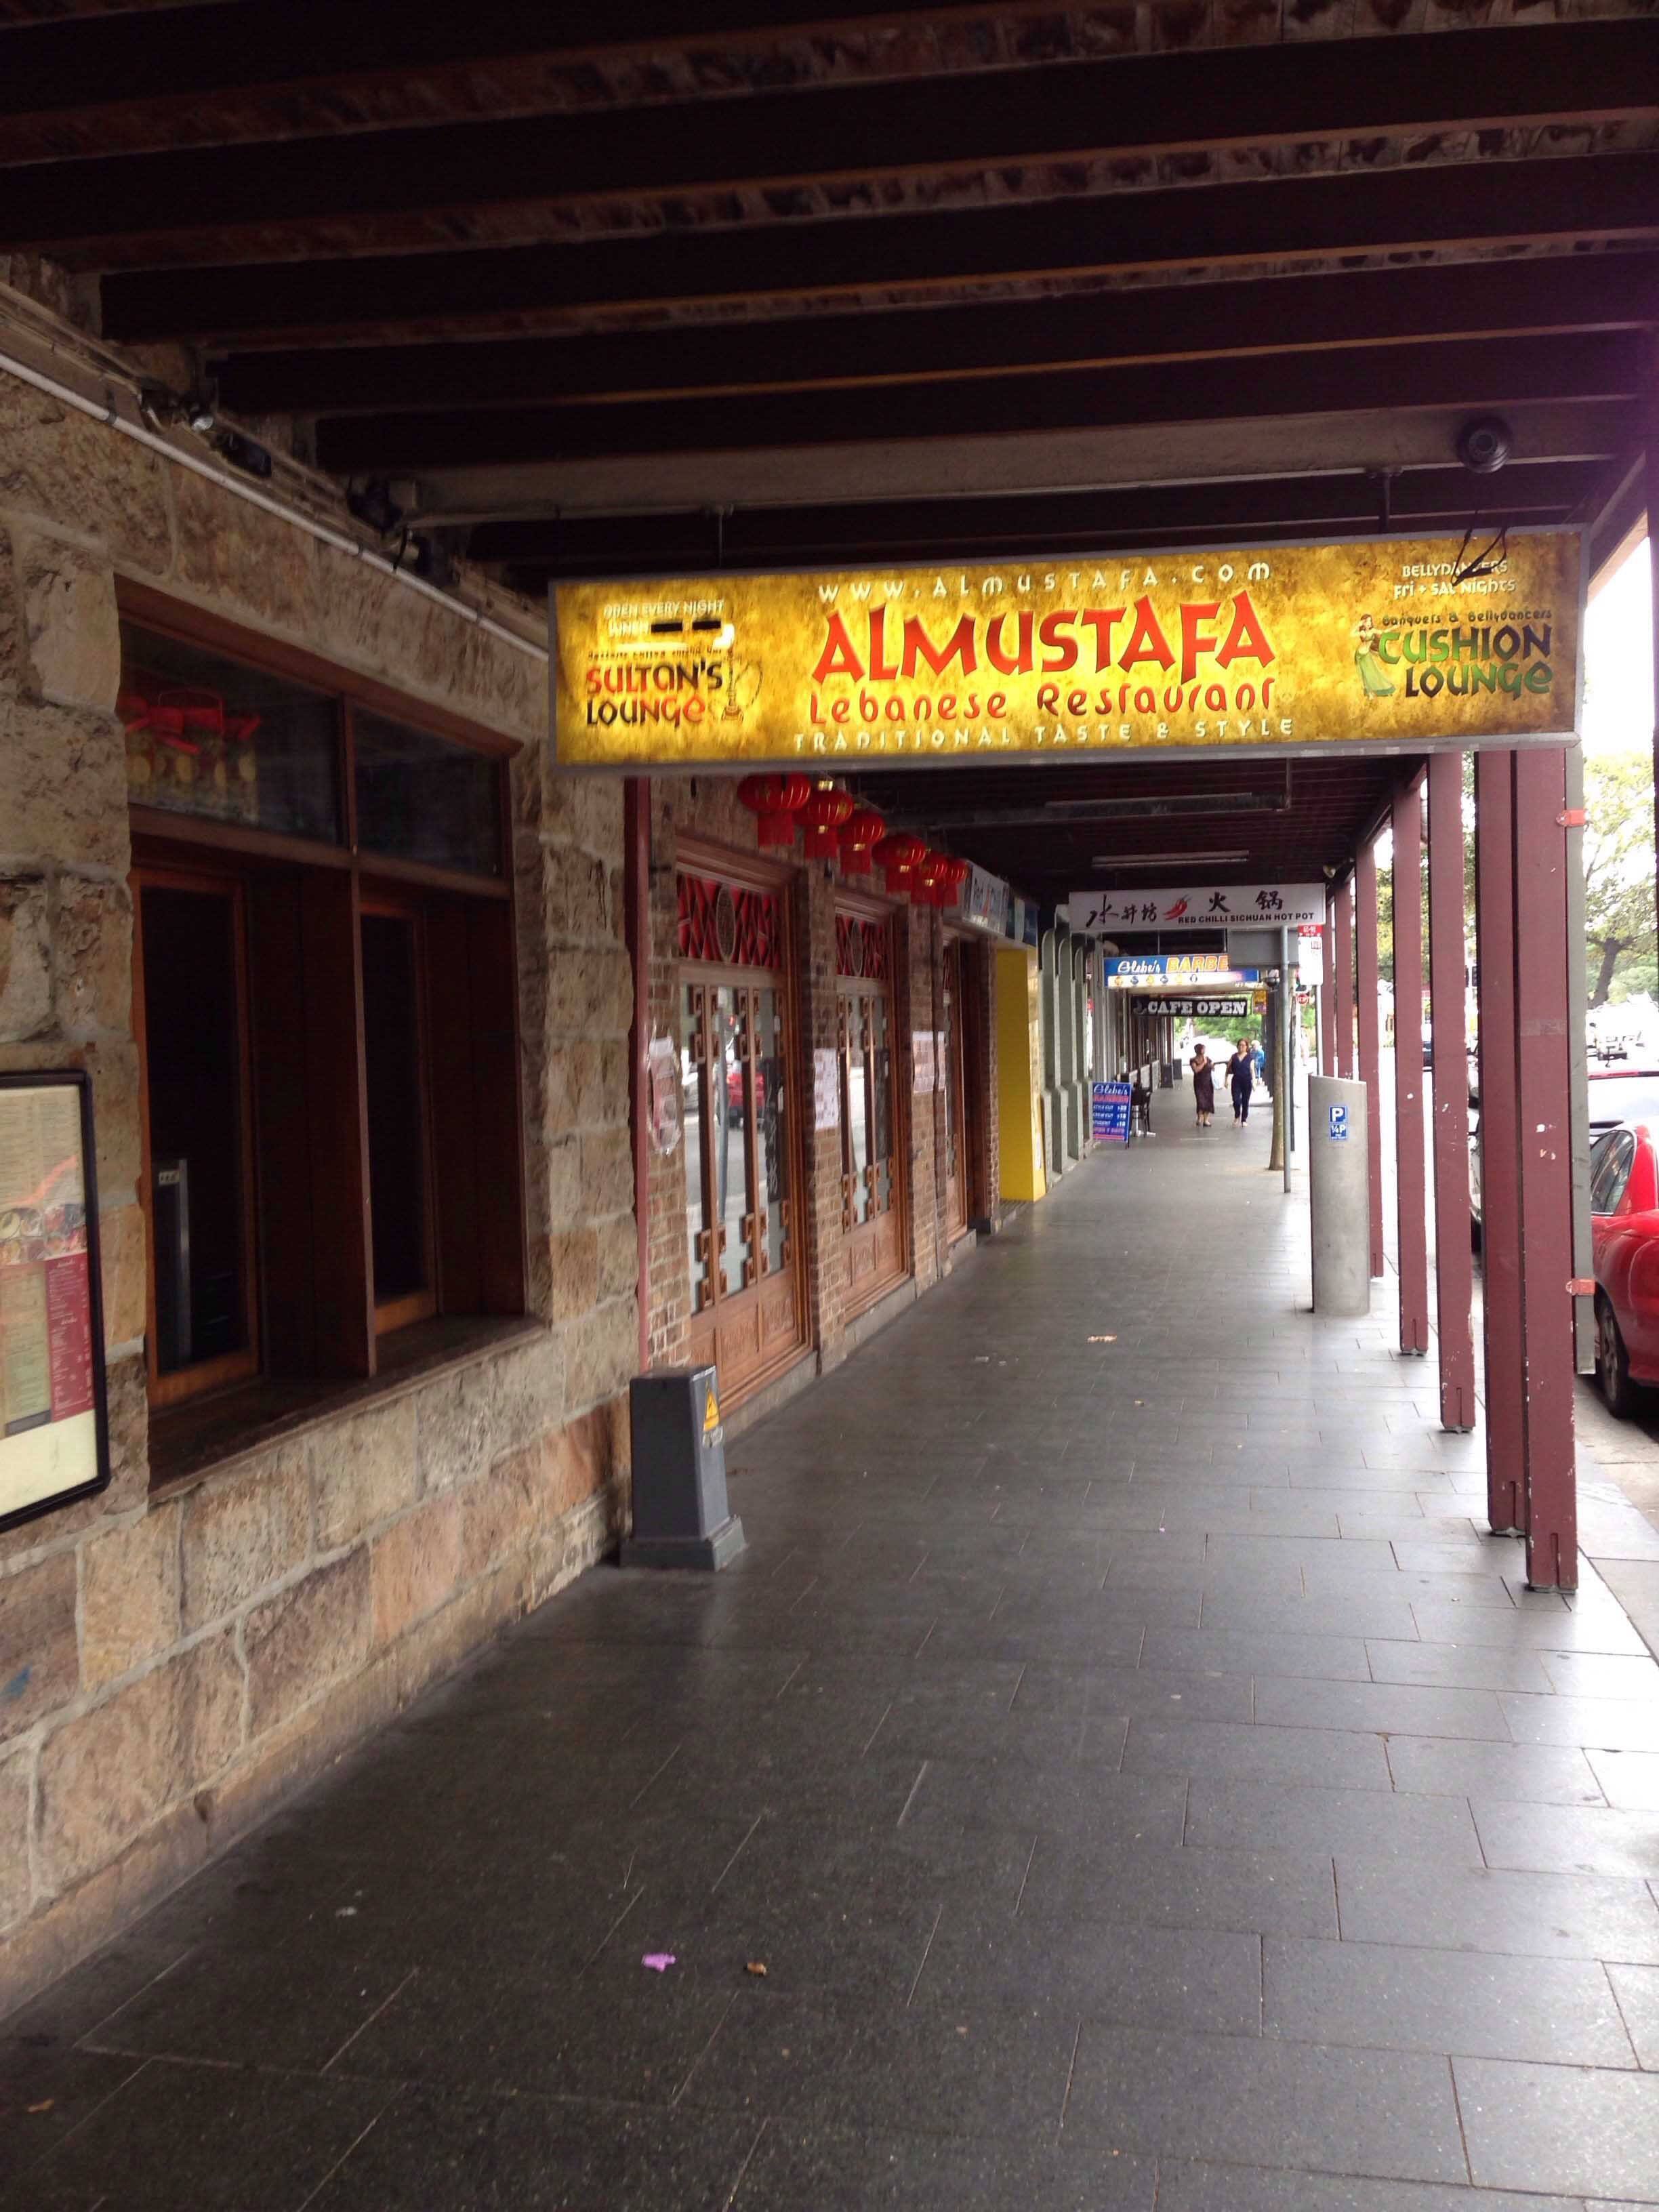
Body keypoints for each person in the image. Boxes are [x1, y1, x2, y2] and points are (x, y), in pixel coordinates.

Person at [1227, 1038, 1256, 1125]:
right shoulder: (1234, 1057)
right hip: (1236, 1081)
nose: (1241, 1047)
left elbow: (1252, 1071)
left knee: (1245, 1101)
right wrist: (1225, 1080)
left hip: (1246, 1081)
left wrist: (1254, 1082)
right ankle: (1237, 1116)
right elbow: (1228, 1068)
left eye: (1243, 1045)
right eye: (1239, 1045)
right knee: (1236, 1100)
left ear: (1247, 1047)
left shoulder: (1250, 1058)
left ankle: (1244, 1119)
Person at [1189, 1044, 1215, 1128]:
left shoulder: (1208, 1059)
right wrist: (1204, 1063)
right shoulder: (1193, 1060)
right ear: (1199, 1050)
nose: (1204, 1050)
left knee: (1208, 1100)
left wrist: (1212, 1066)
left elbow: (1211, 1067)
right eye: (1203, 1049)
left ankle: (1206, 1120)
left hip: (1208, 1083)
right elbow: (1196, 1070)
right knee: (1200, 1101)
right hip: (1199, 1084)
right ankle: (1199, 1117)